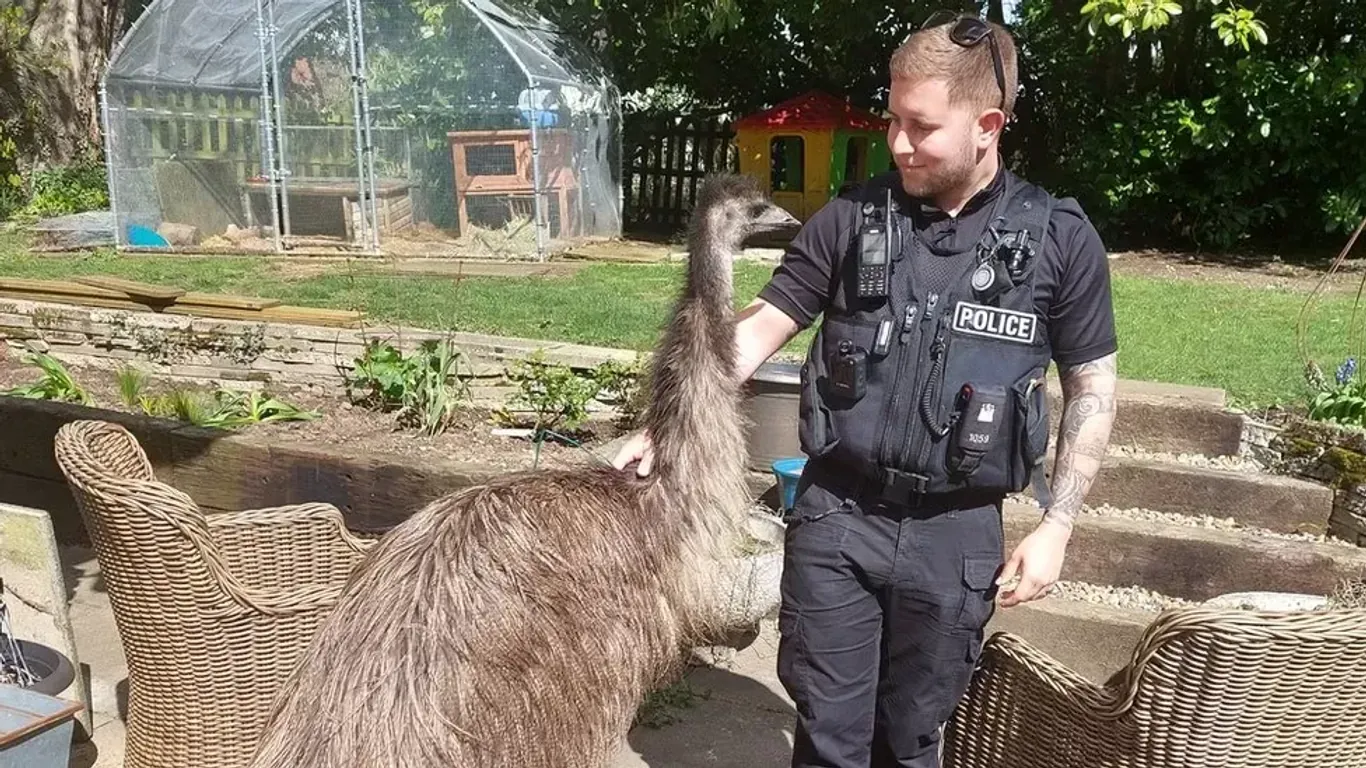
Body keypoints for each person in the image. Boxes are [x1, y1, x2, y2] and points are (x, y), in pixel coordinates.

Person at [612, 11, 1118, 768]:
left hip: (956, 535)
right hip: (839, 518)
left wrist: (1058, 525)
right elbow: (759, 327)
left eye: (921, 126)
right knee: (829, 739)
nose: (899, 142)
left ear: (987, 125)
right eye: (893, 119)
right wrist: (670, 423)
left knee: (912, 744)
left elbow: (1092, 388)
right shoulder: (852, 220)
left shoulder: (1060, 240)